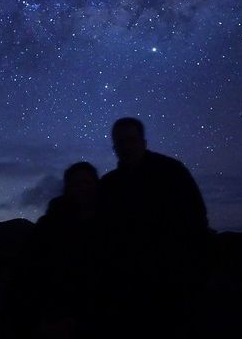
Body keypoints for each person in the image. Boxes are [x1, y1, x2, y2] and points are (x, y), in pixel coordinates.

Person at [97, 117, 210, 338]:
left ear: (143, 142)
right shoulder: (108, 185)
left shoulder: (171, 172)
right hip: (125, 288)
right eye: (121, 142)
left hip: (171, 285)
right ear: (114, 146)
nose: (126, 147)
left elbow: (196, 220)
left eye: (131, 140)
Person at [26, 162, 99, 339]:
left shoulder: (109, 225)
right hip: (57, 318)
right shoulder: (49, 226)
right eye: (76, 184)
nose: (82, 188)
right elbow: (32, 271)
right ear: (67, 188)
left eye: (87, 183)